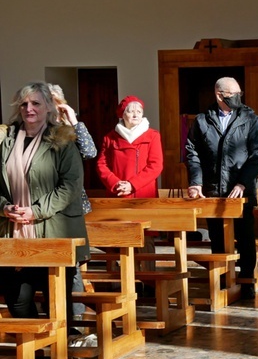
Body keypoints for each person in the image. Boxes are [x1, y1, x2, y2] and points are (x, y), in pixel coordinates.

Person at [0, 82, 90, 338]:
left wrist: (35, 211)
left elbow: (70, 187)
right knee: (17, 298)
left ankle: (58, 354)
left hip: (53, 231)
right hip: (12, 232)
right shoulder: (5, 141)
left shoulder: (63, 140)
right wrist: (4, 207)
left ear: (48, 107)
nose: (29, 108)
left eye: (36, 103)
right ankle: (33, 353)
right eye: (24, 104)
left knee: (55, 298)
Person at [185, 77, 258, 298]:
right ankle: (222, 280)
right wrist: (196, 182)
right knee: (218, 238)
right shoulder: (202, 120)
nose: (238, 98)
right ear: (219, 95)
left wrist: (243, 182)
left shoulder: (251, 119)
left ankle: (247, 279)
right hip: (214, 189)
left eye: (240, 93)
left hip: (242, 189)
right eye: (233, 94)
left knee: (245, 236)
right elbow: (192, 152)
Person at [49, 84, 98, 323]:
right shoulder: (35, 131)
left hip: (72, 205)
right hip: (43, 205)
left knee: (72, 260)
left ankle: (75, 315)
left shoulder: (72, 129)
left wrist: (74, 120)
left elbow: (90, 152)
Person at [96, 95, 163, 198]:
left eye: (139, 112)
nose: (135, 115)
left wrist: (132, 184)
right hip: (118, 192)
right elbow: (102, 165)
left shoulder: (153, 135)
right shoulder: (110, 138)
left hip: (144, 195)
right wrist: (116, 183)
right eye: (131, 111)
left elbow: (156, 165)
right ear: (122, 114)